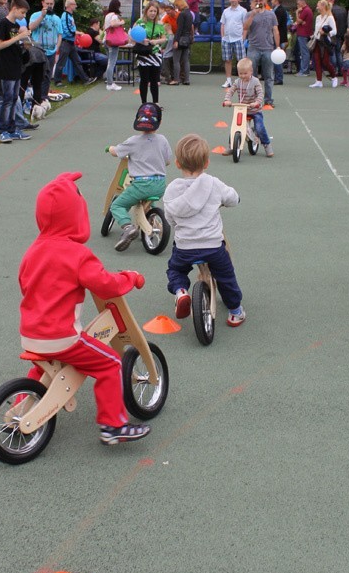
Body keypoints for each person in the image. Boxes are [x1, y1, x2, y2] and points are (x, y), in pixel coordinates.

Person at [18, 171, 150, 445]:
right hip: (61, 337)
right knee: (110, 363)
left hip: (30, 333)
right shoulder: (77, 254)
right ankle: (113, 426)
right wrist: (129, 278)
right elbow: (104, 285)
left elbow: (24, 283)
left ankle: (21, 404)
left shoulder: (32, 251)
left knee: (43, 366)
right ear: (76, 215)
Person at [163, 133, 245, 327]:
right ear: (206, 163)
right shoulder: (213, 183)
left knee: (175, 269)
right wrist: (235, 199)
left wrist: (179, 227)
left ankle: (180, 291)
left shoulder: (173, 189)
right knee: (226, 276)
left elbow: (169, 217)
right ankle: (235, 311)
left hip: (185, 246)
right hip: (212, 246)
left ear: (177, 164)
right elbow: (232, 197)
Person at [107, 102, 172, 251]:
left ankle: (128, 226)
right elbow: (167, 161)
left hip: (141, 185)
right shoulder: (163, 140)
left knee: (117, 205)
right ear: (159, 122)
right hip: (160, 185)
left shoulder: (133, 141)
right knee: (148, 200)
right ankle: (151, 220)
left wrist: (110, 148)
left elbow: (116, 152)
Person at [0, 0, 32, 142]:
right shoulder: (3, 24)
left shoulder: (15, 25)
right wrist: (19, 37)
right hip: (5, 68)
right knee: (7, 99)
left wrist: (24, 45)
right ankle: (3, 130)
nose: (24, 16)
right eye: (22, 12)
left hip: (15, 67)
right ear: (14, 8)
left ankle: (12, 128)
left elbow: (14, 45)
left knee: (15, 99)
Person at [222, 57, 274, 157]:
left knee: (259, 127)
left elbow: (260, 94)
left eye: (245, 73)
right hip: (241, 109)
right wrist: (227, 100)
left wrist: (257, 102)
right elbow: (230, 91)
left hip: (255, 110)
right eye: (240, 73)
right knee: (234, 127)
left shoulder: (255, 82)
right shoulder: (237, 82)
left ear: (251, 71)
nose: (242, 76)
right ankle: (231, 146)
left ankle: (267, 145)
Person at [243, 0, 279, 106]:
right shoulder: (249, 14)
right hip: (253, 48)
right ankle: (252, 100)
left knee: (268, 76)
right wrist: (253, 14)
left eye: (261, 0)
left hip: (268, 48)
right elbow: (245, 27)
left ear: (265, 1)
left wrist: (277, 47)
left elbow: (275, 30)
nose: (259, 2)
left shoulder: (271, 14)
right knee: (251, 76)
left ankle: (268, 100)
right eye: (256, 0)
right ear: (253, 2)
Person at [52, 0, 95, 86]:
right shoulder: (66, 15)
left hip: (71, 43)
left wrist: (75, 35)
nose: (75, 6)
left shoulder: (70, 16)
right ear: (70, 5)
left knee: (77, 61)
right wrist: (76, 33)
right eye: (74, 4)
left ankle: (85, 79)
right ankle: (57, 81)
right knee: (61, 62)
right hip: (66, 42)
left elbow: (71, 28)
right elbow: (67, 29)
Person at [132, 2, 166, 103]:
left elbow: (164, 39)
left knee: (155, 80)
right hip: (143, 54)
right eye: (151, 11)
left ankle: (156, 102)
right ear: (146, 11)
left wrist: (156, 41)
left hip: (155, 54)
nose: (153, 13)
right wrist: (142, 41)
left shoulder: (160, 24)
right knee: (144, 79)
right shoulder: (140, 22)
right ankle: (144, 103)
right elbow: (132, 36)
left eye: (155, 11)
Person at [30, 0, 62, 100]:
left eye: (51, 4)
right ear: (42, 3)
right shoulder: (35, 15)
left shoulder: (57, 18)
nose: (49, 6)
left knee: (47, 76)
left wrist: (57, 49)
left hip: (51, 51)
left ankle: (44, 97)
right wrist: (42, 16)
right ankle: (35, 96)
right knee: (37, 75)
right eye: (47, 3)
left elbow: (59, 35)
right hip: (38, 50)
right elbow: (31, 28)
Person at [219, 0, 247, 88]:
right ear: (229, 0)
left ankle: (242, 80)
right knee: (227, 60)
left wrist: (243, 38)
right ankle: (228, 80)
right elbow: (222, 24)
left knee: (241, 61)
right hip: (226, 39)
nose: (233, 0)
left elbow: (245, 26)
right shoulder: (225, 11)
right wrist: (222, 37)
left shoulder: (243, 11)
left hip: (238, 39)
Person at [309, 0, 338, 88]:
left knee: (325, 61)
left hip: (325, 41)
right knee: (316, 61)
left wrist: (326, 33)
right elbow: (316, 29)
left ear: (323, 6)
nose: (317, 7)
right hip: (317, 40)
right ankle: (318, 80)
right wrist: (314, 35)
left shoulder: (330, 17)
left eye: (318, 5)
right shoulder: (318, 17)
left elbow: (335, 31)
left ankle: (334, 77)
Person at [102, 0, 127, 90]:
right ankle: (110, 83)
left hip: (106, 40)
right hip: (112, 42)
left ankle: (110, 81)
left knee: (110, 61)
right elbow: (113, 24)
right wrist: (121, 22)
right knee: (111, 63)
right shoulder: (114, 16)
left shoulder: (107, 15)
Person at [171, 0, 193, 85]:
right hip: (187, 39)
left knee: (176, 60)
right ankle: (187, 79)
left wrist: (176, 40)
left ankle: (176, 79)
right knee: (186, 60)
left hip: (180, 38)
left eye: (176, 5)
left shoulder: (181, 14)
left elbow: (179, 29)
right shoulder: (190, 14)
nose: (176, 7)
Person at [270, 0, 290, 85]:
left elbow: (276, 25)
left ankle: (279, 78)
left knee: (277, 58)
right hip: (278, 37)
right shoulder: (276, 10)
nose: (271, 1)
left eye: (273, 0)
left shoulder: (280, 11)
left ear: (277, 1)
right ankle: (276, 76)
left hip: (279, 38)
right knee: (274, 58)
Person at [293, 0, 313, 76]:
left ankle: (304, 70)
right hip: (304, 33)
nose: (297, 5)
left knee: (304, 52)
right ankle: (305, 69)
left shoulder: (305, 10)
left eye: (298, 3)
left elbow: (298, 21)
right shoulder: (307, 10)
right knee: (304, 52)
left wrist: (297, 12)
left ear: (302, 2)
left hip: (303, 34)